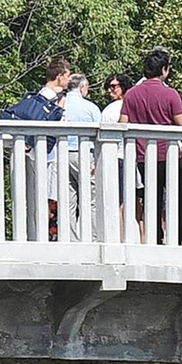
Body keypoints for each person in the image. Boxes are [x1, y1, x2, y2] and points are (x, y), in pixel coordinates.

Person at [120, 47, 182, 243]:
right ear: (164, 70)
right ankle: (176, 237)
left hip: (143, 155)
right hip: (169, 155)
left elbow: (122, 122)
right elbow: (181, 122)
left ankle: (154, 237)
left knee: (151, 197)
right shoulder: (170, 94)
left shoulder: (131, 95)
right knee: (178, 196)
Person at [59, 73, 103, 240]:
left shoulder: (59, 105)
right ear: (82, 87)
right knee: (91, 199)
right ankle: (91, 237)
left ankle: (69, 238)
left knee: (67, 199)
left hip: (62, 154)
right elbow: (100, 135)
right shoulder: (89, 107)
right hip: (85, 154)